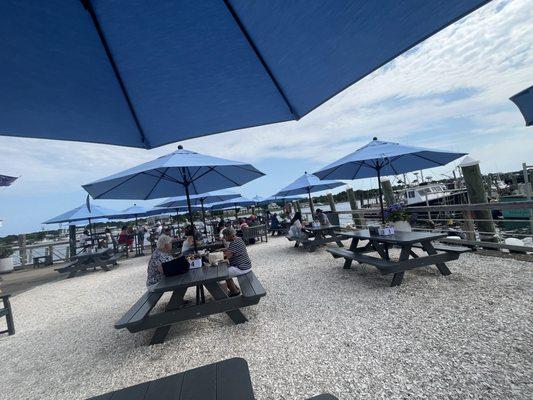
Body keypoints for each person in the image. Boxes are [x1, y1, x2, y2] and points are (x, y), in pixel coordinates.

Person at [222, 227, 251, 296]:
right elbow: (231, 251)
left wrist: (220, 253)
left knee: (222, 274)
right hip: (246, 266)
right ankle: (234, 289)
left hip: (241, 268)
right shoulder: (238, 240)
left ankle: (233, 292)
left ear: (230, 236)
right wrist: (225, 249)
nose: (223, 237)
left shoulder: (234, 243)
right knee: (226, 272)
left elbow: (226, 256)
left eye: (224, 236)